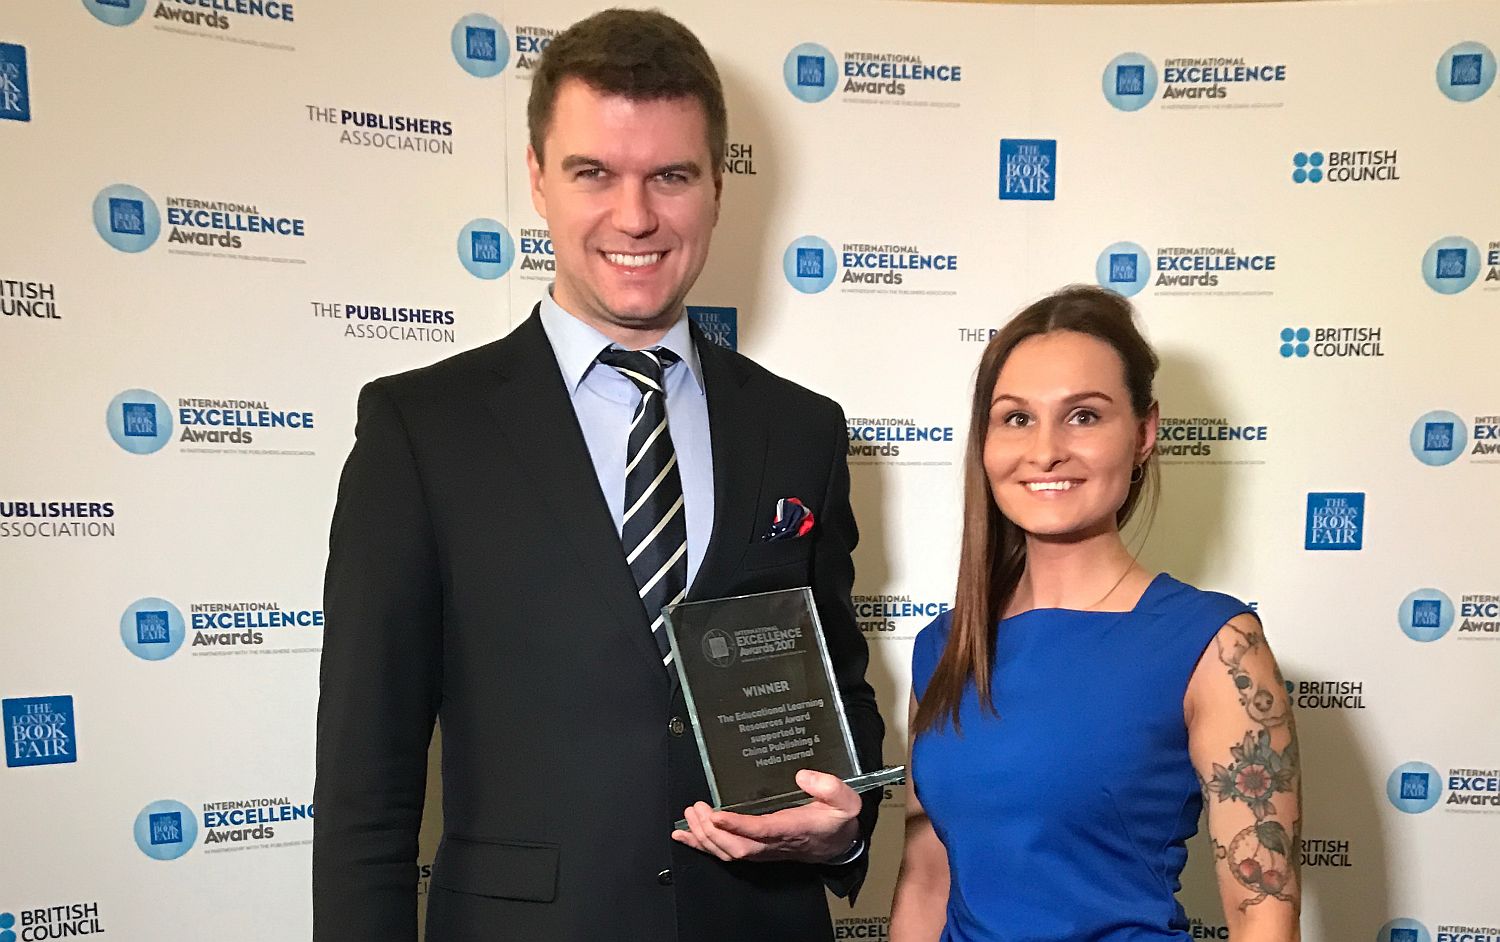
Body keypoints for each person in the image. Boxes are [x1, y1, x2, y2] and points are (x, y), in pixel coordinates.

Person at [312, 10, 884, 942]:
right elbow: (363, 787)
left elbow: (838, 694)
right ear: (537, 179)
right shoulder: (420, 429)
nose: (635, 216)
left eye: (671, 176)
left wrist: (845, 828)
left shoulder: (801, 429)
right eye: (594, 174)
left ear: (717, 187)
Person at [889, 286, 1301, 942]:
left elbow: (1264, 919)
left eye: (1083, 416)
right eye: (1016, 418)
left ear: (1143, 433)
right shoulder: (945, 645)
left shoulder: (1216, 645)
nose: (1045, 450)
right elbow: (926, 880)